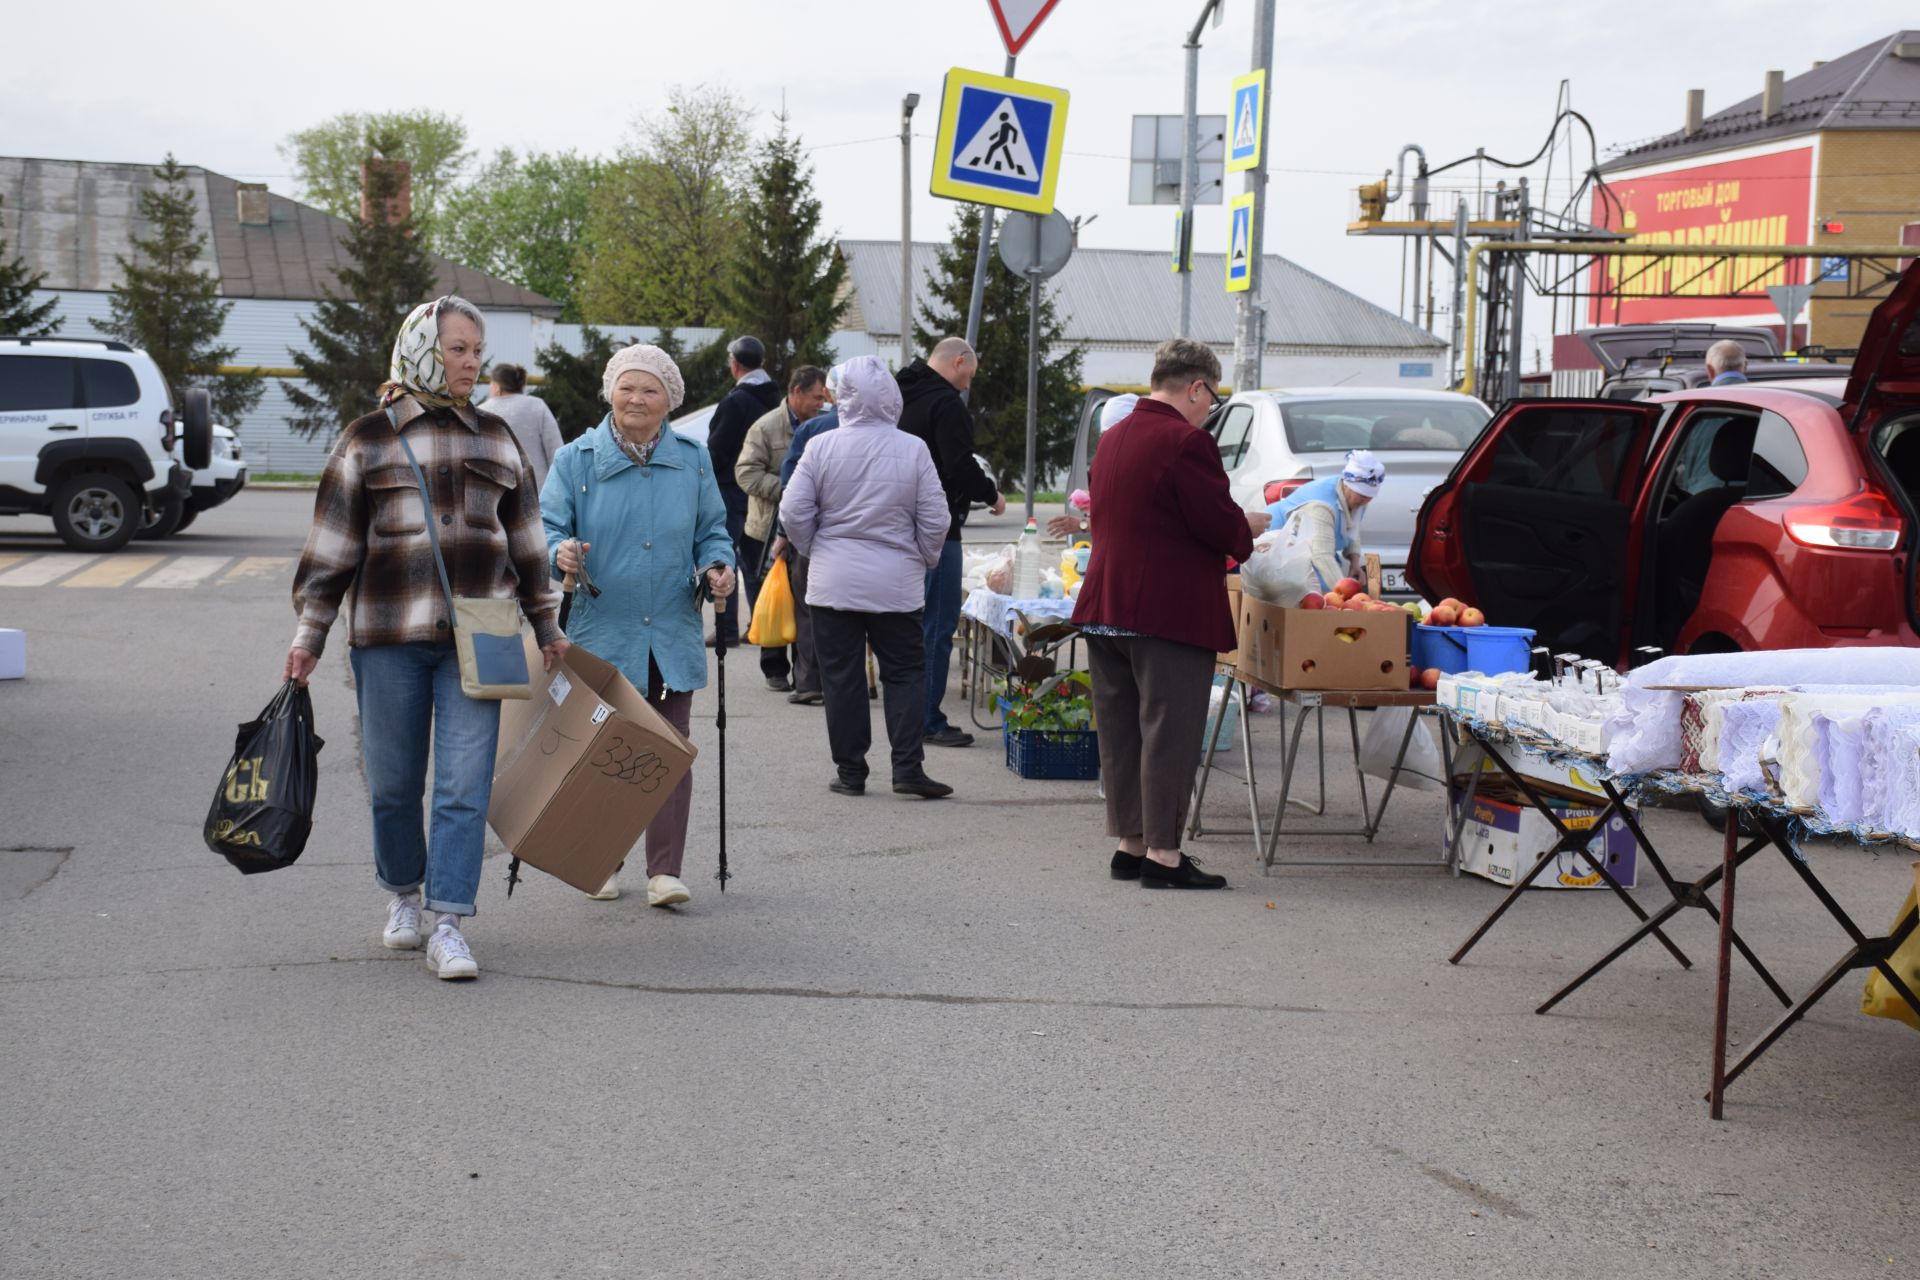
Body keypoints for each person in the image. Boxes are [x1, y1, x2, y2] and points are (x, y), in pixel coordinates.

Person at [286, 296, 568, 980]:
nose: (472, 362)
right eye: (457, 349)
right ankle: (403, 896)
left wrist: (547, 624)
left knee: (464, 785)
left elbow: (527, 544)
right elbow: (332, 548)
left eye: (476, 350)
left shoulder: (497, 439)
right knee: (392, 783)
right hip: (389, 634)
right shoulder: (368, 439)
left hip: (488, 632)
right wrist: (309, 633)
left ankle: (449, 920)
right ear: (420, 351)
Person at [541, 344, 736, 907]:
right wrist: (562, 552)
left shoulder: (693, 459)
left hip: (670, 631)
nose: (637, 398)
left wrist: (717, 569)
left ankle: (665, 871)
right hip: (603, 632)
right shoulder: (577, 460)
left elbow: (712, 533)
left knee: (669, 750)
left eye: (650, 389)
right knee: (600, 751)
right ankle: (600, 859)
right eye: (627, 387)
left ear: (669, 401)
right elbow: (548, 528)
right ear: (610, 391)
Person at [1071, 338, 1267, 890]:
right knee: (1169, 732)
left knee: (1121, 731)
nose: (1210, 409)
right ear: (1197, 387)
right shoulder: (1186, 441)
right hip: (1163, 611)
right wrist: (1245, 527)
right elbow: (1217, 524)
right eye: (1211, 397)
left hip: (1106, 606)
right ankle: (1162, 855)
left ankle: (1129, 845)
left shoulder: (1114, 437)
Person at [780, 356, 954, 800]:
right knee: (905, 673)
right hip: (896, 584)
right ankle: (907, 768)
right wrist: (923, 558)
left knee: (841, 677)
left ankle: (851, 771)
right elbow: (936, 519)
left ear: (843, 397)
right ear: (890, 397)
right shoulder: (913, 448)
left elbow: (793, 511)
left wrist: (814, 548)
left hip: (833, 581)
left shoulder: (821, 445)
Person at [896, 337, 1003, 750]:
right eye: (968, 376)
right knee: (938, 624)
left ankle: (906, 710)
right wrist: (992, 495)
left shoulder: (899, 393)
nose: (967, 385)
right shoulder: (946, 405)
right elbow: (960, 465)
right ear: (958, 362)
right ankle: (928, 718)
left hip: (894, 524)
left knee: (903, 624)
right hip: (937, 529)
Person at [736, 366, 830, 692]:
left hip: (805, 530)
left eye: (825, 396)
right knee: (774, 598)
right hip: (764, 530)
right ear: (796, 393)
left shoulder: (823, 427)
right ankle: (774, 668)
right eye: (817, 397)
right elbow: (746, 473)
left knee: (803, 601)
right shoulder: (765, 427)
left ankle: (805, 671)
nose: (822, 403)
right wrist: (792, 491)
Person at [769, 363, 847, 707]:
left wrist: (785, 534)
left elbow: (792, 491)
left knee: (809, 610)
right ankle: (848, 683)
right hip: (872, 546)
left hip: (816, 538)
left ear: (832, 394)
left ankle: (809, 682)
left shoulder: (813, 430)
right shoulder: (892, 432)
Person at [705, 336, 785, 646]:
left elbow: (717, 450)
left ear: (735, 365)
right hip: (763, 492)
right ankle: (759, 625)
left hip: (731, 489)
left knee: (723, 556)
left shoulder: (735, 401)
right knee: (755, 561)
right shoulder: (774, 397)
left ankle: (725, 629)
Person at [1264, 449, 1386, 596]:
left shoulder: (1357, 500)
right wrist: (1348, 597)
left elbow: (1352, 526)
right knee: (1312, 593)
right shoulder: (1321, 505)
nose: (1365, 501)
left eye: (1369, 497)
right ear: (1347, 485)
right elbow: (1321, 556)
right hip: (1279, 543)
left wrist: (1355, 561)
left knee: (1326, 594)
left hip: (1309, 548)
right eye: (1361, 495)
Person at [1048, 393, 1138, 539]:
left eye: (1110, 433)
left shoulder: (1137, 465)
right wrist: (1093, 501)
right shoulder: (1107, 459)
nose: (1105, 440)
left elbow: (1127, 520)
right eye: (1103, 434)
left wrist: (1082, 524)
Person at [483, 362, 564, 489]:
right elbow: (556, 450)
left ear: (496, 386)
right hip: (539, 492)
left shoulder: (482, 412)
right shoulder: (537, 405)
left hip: (497, 496)